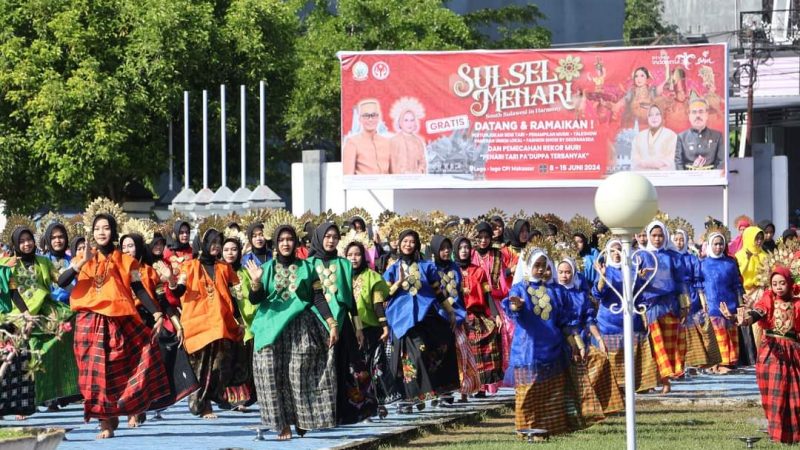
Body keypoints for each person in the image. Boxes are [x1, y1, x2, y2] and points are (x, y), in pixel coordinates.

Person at [58, 213, 170, 439]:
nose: (101, 232)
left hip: (118, 321)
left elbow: (139, 289)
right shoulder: (82, 256)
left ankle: (118, 410)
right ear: (92, 232)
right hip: (88, 321)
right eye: (97, 228)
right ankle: (105, 422)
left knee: (117, 369)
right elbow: (61, 282)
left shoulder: (128, 261)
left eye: (106, 228)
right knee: (92, 374)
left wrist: (157, 312)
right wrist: (79, 264)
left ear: (113, 232)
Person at [247, 224, 338, 441]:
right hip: (270, 329)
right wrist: (256, 282)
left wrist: (332, 323)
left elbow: (317, 297)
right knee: (270, 375)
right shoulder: (266, 268)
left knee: (299, 374)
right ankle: (282, 425)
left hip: (300, 327)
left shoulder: (307, 268)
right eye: (282, 240)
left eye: (289, 239)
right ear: (276, 244)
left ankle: (302, 419)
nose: (286, 243)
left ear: (295, 242)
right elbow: (255, 300)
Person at [503, 250, 594, 435]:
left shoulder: (555, 291)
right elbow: (512, 309)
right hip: (528, 349)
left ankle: (551, 428)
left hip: (553, 348)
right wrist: (516, 305)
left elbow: (564, 321)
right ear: (528, 266)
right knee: (527, 392)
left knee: (552, 392)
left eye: (543, 266)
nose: (539, 270)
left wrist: (577, 344)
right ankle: (525, 430)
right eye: (536, 265)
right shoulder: (519, 288)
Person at [172, 227, 251, 418]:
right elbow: (179, 291)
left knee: (219, 366)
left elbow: (235, 297)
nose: (216, 246)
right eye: (212, 242)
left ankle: (209, 400)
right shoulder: (188, 267)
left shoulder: (225, 268)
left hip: (221, 325)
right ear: (203, 244)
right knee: (199, 368)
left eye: (218, 242)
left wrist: (240, 321)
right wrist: (171, 283)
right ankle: (202, 404)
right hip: (196, 325)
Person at [0, 226, 80, 415]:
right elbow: (13, 292)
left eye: (29, 240)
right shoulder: (9, 264)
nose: (26, 244)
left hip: (46, 311)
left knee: (68, 331)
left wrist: (76, 272)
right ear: (15, 244)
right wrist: (26, 313)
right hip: (19, 313)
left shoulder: (44, 262)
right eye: (22, 241)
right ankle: (19, 404)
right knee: (18, 357)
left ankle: (57, 393)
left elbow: (60, 281)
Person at [307, 222, 376, 424]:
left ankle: (344, 412)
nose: (331, 240)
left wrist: (358, 327)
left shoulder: (344, 264)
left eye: (334, 237)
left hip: (343, 323)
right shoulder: (308, 264)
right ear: (319, 237)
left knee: (343, 366)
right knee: (319, 369)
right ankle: (319, 413)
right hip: (316, 323)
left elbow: (351, 300)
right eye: (327, 236)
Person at [384, 229, 460, 411]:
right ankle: (409, 399)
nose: (408, 245)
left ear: (417, 244)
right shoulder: (393, 268)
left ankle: (436, 392)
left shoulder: (427, 267)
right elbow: (385, 294)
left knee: (429, 352)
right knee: (409, 359)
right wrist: (397, 282)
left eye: (411, 241)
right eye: (405, 241)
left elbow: (438, 292)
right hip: (402, 319)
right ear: (399, 243)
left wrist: (450, 312)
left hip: (426, 316)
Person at [738, 267, 800, 444]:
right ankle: (778, 434)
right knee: (775, 395)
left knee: (795, 395)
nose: (778, 287)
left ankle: (793, 434)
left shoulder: (797, 304)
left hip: (793, 352)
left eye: (782, 283)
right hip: (771, 352)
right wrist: (746, 320)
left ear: (790, 283)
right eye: (774, 284)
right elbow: (759, 312)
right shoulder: (768, 298)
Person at [557, 256, 623, 416]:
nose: (564, 275)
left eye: (567, 272)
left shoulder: (580, 295)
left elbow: (588, 318)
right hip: (560, 339)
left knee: (600, 360)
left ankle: (603, 406)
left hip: (582, 337)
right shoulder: (553, 292)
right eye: (561, 272)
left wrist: (599, 339)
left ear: (573, 273)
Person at [592, 239, 658, 393]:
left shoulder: (632, 270)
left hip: (631, 319)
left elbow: (639, 295)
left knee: (634, 354)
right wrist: (602, 277)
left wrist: (641, 280)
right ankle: (614, 388)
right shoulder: (605, 270)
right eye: (613, 251)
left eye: (620, 250)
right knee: (613, 356)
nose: (616, 254)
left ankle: (639, 385)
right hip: (609, 321)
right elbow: (598, 294)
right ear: (607, 253)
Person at [343, 238, 393, 417]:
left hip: (371, 330)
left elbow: (378, 304)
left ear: (363, 256)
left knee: (372, 368)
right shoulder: (342, 277)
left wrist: (384, 326)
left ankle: (376, 403)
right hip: (347, 330)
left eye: (357, 254)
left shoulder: (372, 277)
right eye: (349, 255)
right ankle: (358, 406)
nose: (353, 258)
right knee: (353, 369)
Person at [430, 235, 481, 400]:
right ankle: (442, 392)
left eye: (448, 248)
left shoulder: (454, 267)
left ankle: (462, 389)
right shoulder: (430, 267)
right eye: (442, 248)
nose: (446, 251)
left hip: (456, 317)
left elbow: (459, 293)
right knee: (440, 355)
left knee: (459, 352)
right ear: (435, 250)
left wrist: (462, 317)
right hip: (438, 318)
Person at [641, 221, 688, 393]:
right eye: (654, 235)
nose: (657, 239)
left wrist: (684, 305)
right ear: (648, 236)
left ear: (666, 236)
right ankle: (654, 380)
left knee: (668, 345)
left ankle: (666, 381)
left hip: (670, 305)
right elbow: (635, 285)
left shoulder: (673, 256)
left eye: (660, 235)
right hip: (650, 307)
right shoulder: (641, 256)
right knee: (654, 346)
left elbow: (681, 281)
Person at [672, 229, 721, 370]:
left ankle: (699, 361)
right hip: (674, 295)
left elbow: (698, 280)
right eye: (676, 239)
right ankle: (679, 363)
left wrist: (703, 300)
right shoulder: (670, 258)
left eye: (682, 239)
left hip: (691, 294)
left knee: (697, 328)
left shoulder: (692, 259)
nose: (679, 242)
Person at [221, 234, 258, 412]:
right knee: (229, 361)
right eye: (226, 249)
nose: (230, 253)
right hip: (226, 323)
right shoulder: (218, 271)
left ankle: (244, 399)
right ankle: (229, 398)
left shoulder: (245, 272)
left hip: (247, 323)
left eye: (234, 249)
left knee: (245, 361)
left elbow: (254, 297)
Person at [700, 231, 744, 374]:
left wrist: (740, 304)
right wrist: (703, 302)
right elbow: (699, 285)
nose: (718, 247)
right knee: (717, 336)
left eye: (721, 244)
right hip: (712, 304)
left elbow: (737, 284)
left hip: (730, 304)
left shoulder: (730, 263)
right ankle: (718, 363)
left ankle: (729, 362)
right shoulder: (703, 264)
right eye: (715, 244)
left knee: (730, 334)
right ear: (709, 245)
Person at [472, 222, 511, 372]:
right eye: (480, 237)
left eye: (486, 237)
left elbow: (501, 280)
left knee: (506, 330)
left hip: (494, 299)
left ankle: (497, 376)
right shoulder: (470, 253)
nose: (483, 240)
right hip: (476, 300)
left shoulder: (497, 254)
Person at [343, 99, 392, 175]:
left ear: (379, 118)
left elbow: (394, 174)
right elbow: (348, 177)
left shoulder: (387, 143)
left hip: (387, 186)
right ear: (360, 119)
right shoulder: (352, 142)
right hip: (362, 186)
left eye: (373, 115)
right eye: (366, 115)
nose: (370, 119)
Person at [675, 97, 725, 170]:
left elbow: (721, 161)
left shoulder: (717, 136)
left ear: (707, 114)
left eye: (701, 111)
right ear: (689, 115)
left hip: (711, 178)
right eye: (694, 112)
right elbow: (678, 162)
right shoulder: (682, 137)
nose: (698, 115)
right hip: (689, 178)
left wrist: (714, 179)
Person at [631, 104, 677, 171]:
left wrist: (656, 164)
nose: (654, 118)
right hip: (644, 177)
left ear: (662, 116)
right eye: (650, 115)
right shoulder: (638, 137)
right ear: (647, 118)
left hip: (663, 178)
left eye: (657, 114)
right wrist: (645, 164)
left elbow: (672, 159)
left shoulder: (671, 136)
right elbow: (635, 160)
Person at [389, 97, 427, 174]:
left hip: (415, 181)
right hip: (398, 181)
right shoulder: (394, 141)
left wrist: (420, 170)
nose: (409, 124)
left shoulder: (418, 141)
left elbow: (422, 162)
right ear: (400, 122)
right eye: (406, 120)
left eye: (412, 120)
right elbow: (391, 164)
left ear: (415, 122)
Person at [40, 222, 72, 304]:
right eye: (53, 238)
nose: (57, 241)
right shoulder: (42, 262)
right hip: (49, 307)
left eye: (60, 237)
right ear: (48, 240)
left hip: (73, 305)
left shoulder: (73, 260)